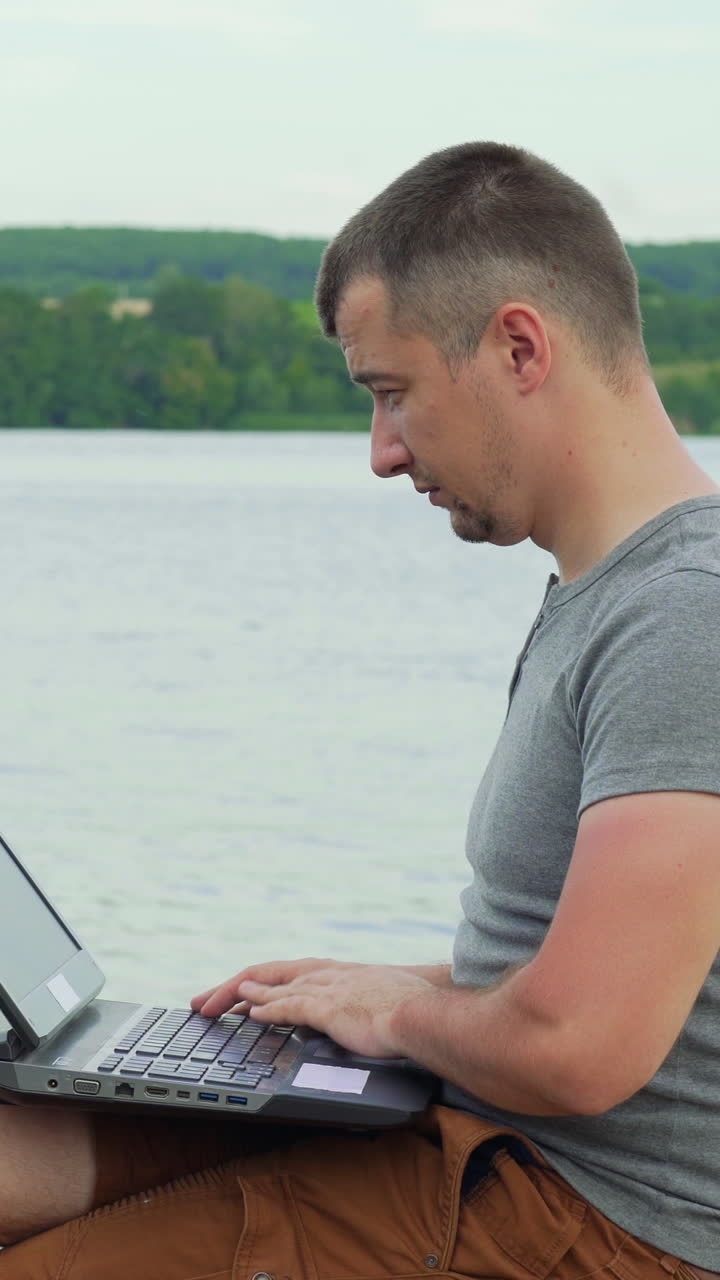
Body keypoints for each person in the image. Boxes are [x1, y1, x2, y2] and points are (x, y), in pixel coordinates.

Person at [1, 142, 719, 1279]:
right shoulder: (613, 589)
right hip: (490, 1137)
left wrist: (396, 1013)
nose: (384, 454)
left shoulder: (687, 616)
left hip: (591, 1218)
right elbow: (586, 969)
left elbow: (581, 1046)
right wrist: (376, 992)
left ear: (520, 347)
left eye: (393, 394)